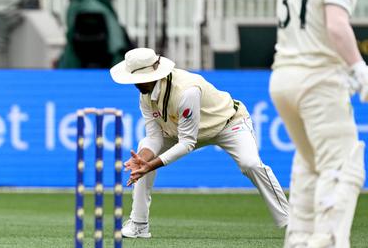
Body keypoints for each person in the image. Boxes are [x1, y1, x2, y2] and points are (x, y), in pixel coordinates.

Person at [269, 0, 368, 248]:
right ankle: (328, 241)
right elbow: (335, 25)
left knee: (310, 163)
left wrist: (345, 71)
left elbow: (313, 32)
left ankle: (300, 238)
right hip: (316, 82)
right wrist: (358, 69)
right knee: (343, 166)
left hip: (283, 80)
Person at [111, 48, 289, 238]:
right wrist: (143, 161)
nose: (134, 83)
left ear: (152, 74)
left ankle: (290, 222)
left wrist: (151, 165)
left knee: (251, 164)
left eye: (136, 79)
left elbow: (187, 143)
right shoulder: (145, 94)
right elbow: (154, 136)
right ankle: (139, 224)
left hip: (228, 124)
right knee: (142, 151)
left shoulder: (187, 91)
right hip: (179, 130)